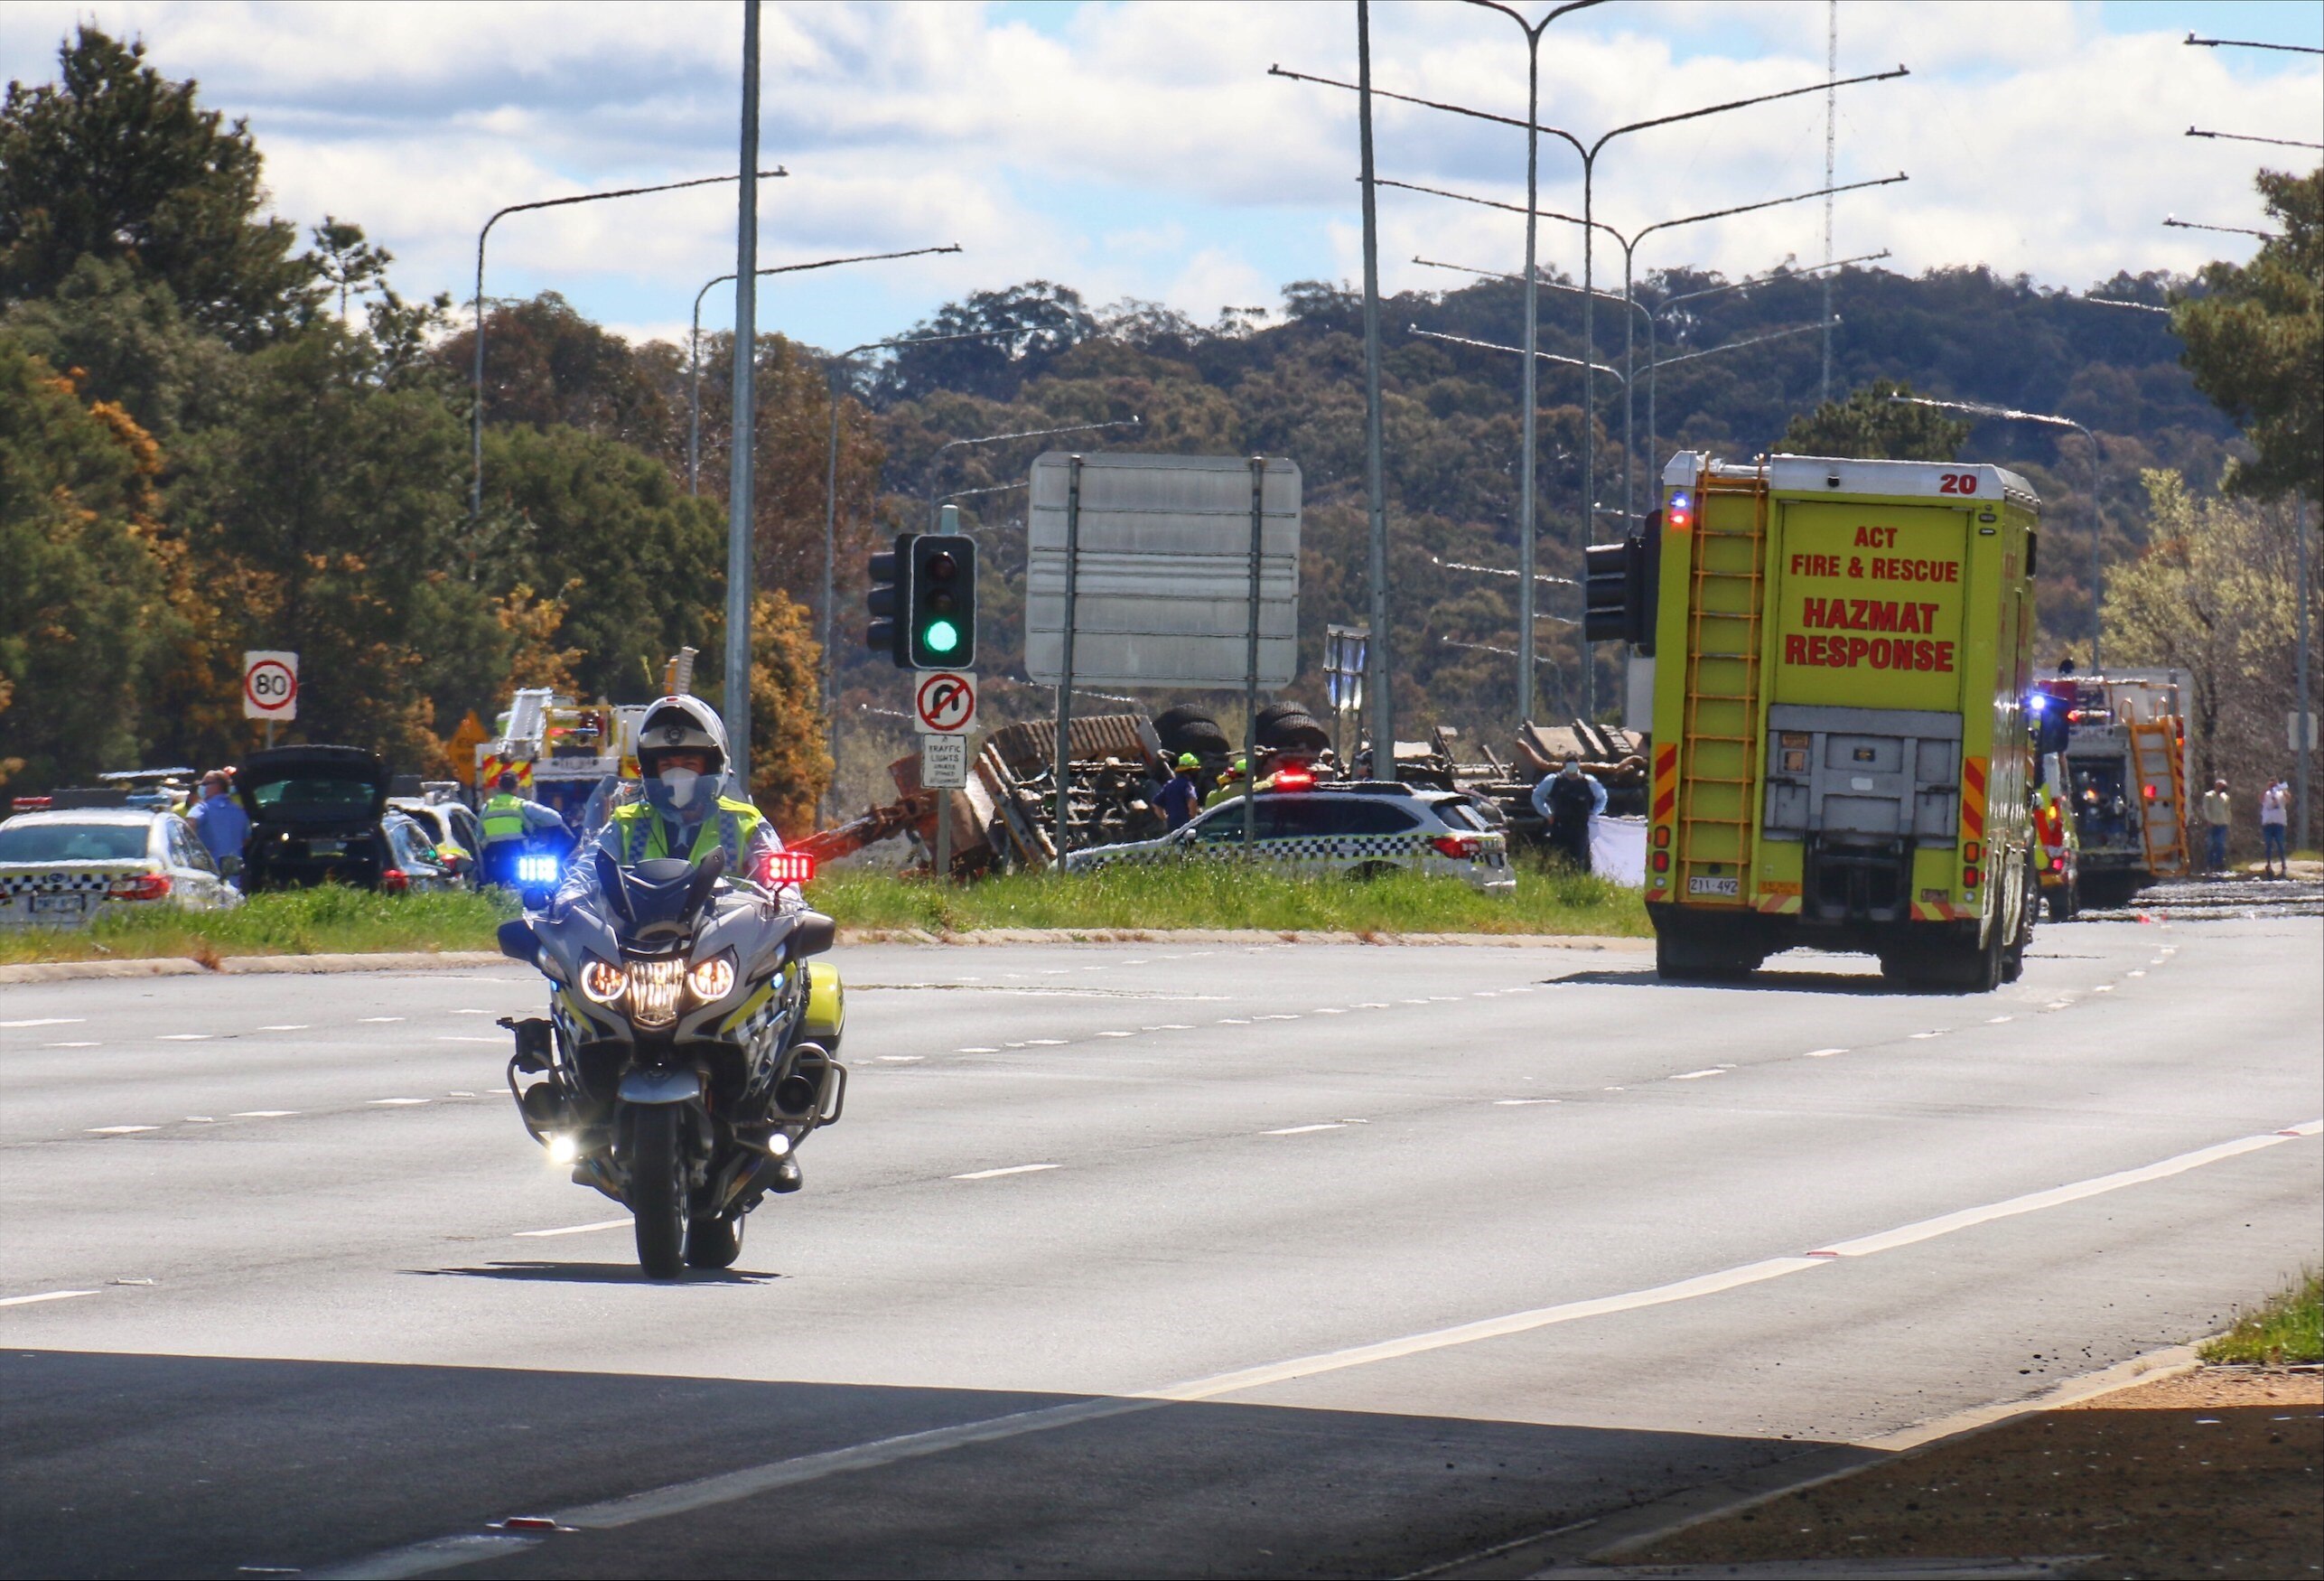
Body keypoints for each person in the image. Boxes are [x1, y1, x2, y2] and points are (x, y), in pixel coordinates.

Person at [1533, 758, 1604, 872]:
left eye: (1574, 761)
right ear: (1564, 764)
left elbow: (1602, 797)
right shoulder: (1554, 780)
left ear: (1579, 764)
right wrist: (1547, 814)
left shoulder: (1589, 782)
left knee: (1579, 858)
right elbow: (1537, 796)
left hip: (1580, 827)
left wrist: (1594, 812)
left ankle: (1576, 882)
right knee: (1558, 856)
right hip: (1559, 826)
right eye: (1569, 761)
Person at [186, 770, 248, 883]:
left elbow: (189, 826)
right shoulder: (239, 811)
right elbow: (246, 839)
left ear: (217, 786)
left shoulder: (202, 808)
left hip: (208, 875)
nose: (201, 788)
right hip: (234, 878)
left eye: (205, 784)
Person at [1156, 753, 1204, 831]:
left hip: (1172, 827)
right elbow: (1192, 799)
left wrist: (1164, 818)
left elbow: (1156, 804)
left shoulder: (1169, 785)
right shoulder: (1188, 785)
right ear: (1191, 771)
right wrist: (1193, 818)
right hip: (1186, 827)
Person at [2259, 777, 2290, 878]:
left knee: (2280, 844)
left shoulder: (2281, 793)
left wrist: (2281, 788)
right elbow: (2261, 799)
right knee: (2268, 845)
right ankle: (2268, 864)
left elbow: (2288, 799)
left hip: (2279, 823)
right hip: (2268, 823)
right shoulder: (2266, 794)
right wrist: (2266, 788)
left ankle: (2283, 865)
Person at [2200, 776, 2232, 874]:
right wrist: (2209, 820)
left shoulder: (2225, 797)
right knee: (2211, 845)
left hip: (2222, 823)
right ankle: (2209, 865)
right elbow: (2206, 809)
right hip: (2212, 824)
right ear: (2217, 786)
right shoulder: (2209, 796)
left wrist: (2228, 821)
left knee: (2220, 844)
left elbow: (2227, 810)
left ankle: (2219, 865)